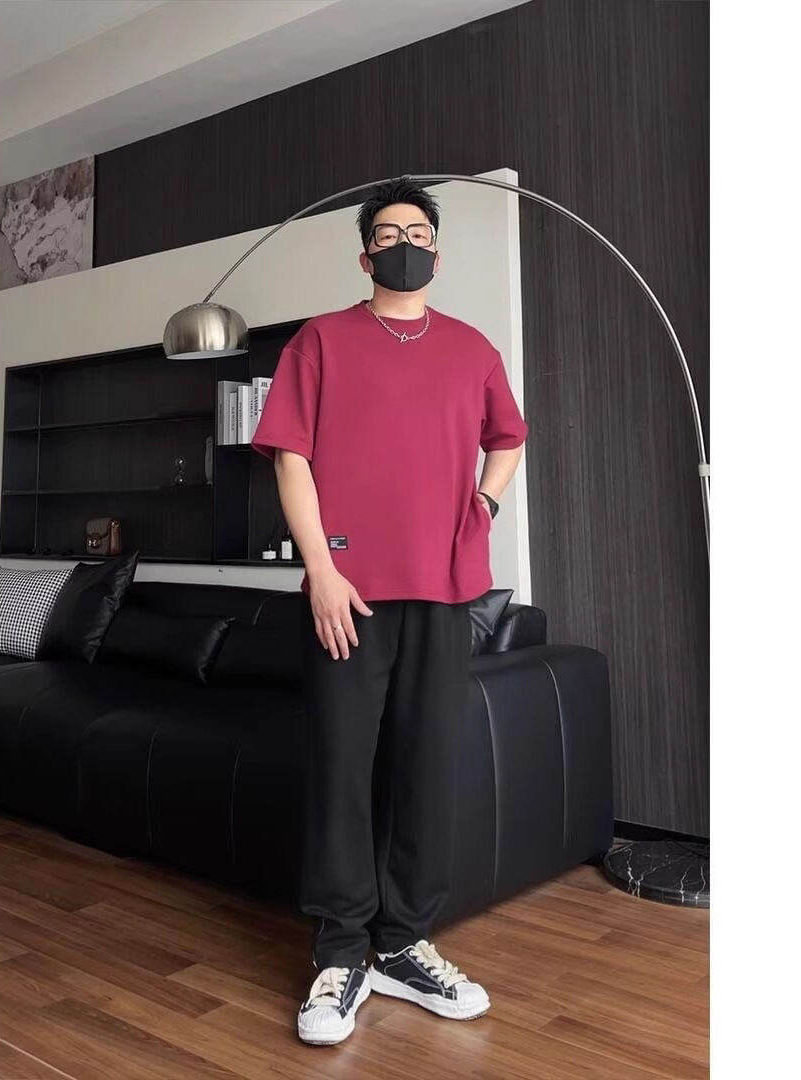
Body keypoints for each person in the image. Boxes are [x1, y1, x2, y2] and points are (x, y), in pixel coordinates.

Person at [250, 176, 529, 1046]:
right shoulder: (321, 341)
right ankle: (341, 952)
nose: (404, 244)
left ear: (436, 254)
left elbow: (509, 437)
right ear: (365, 254)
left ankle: (403, 944)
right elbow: (289, 457)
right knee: (342, 767)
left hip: (445, 590)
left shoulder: (473, 349)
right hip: (350, 593)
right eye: (387, 234)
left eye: (418, 233)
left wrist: (483, 502)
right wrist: (320, 571)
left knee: (426, 767)